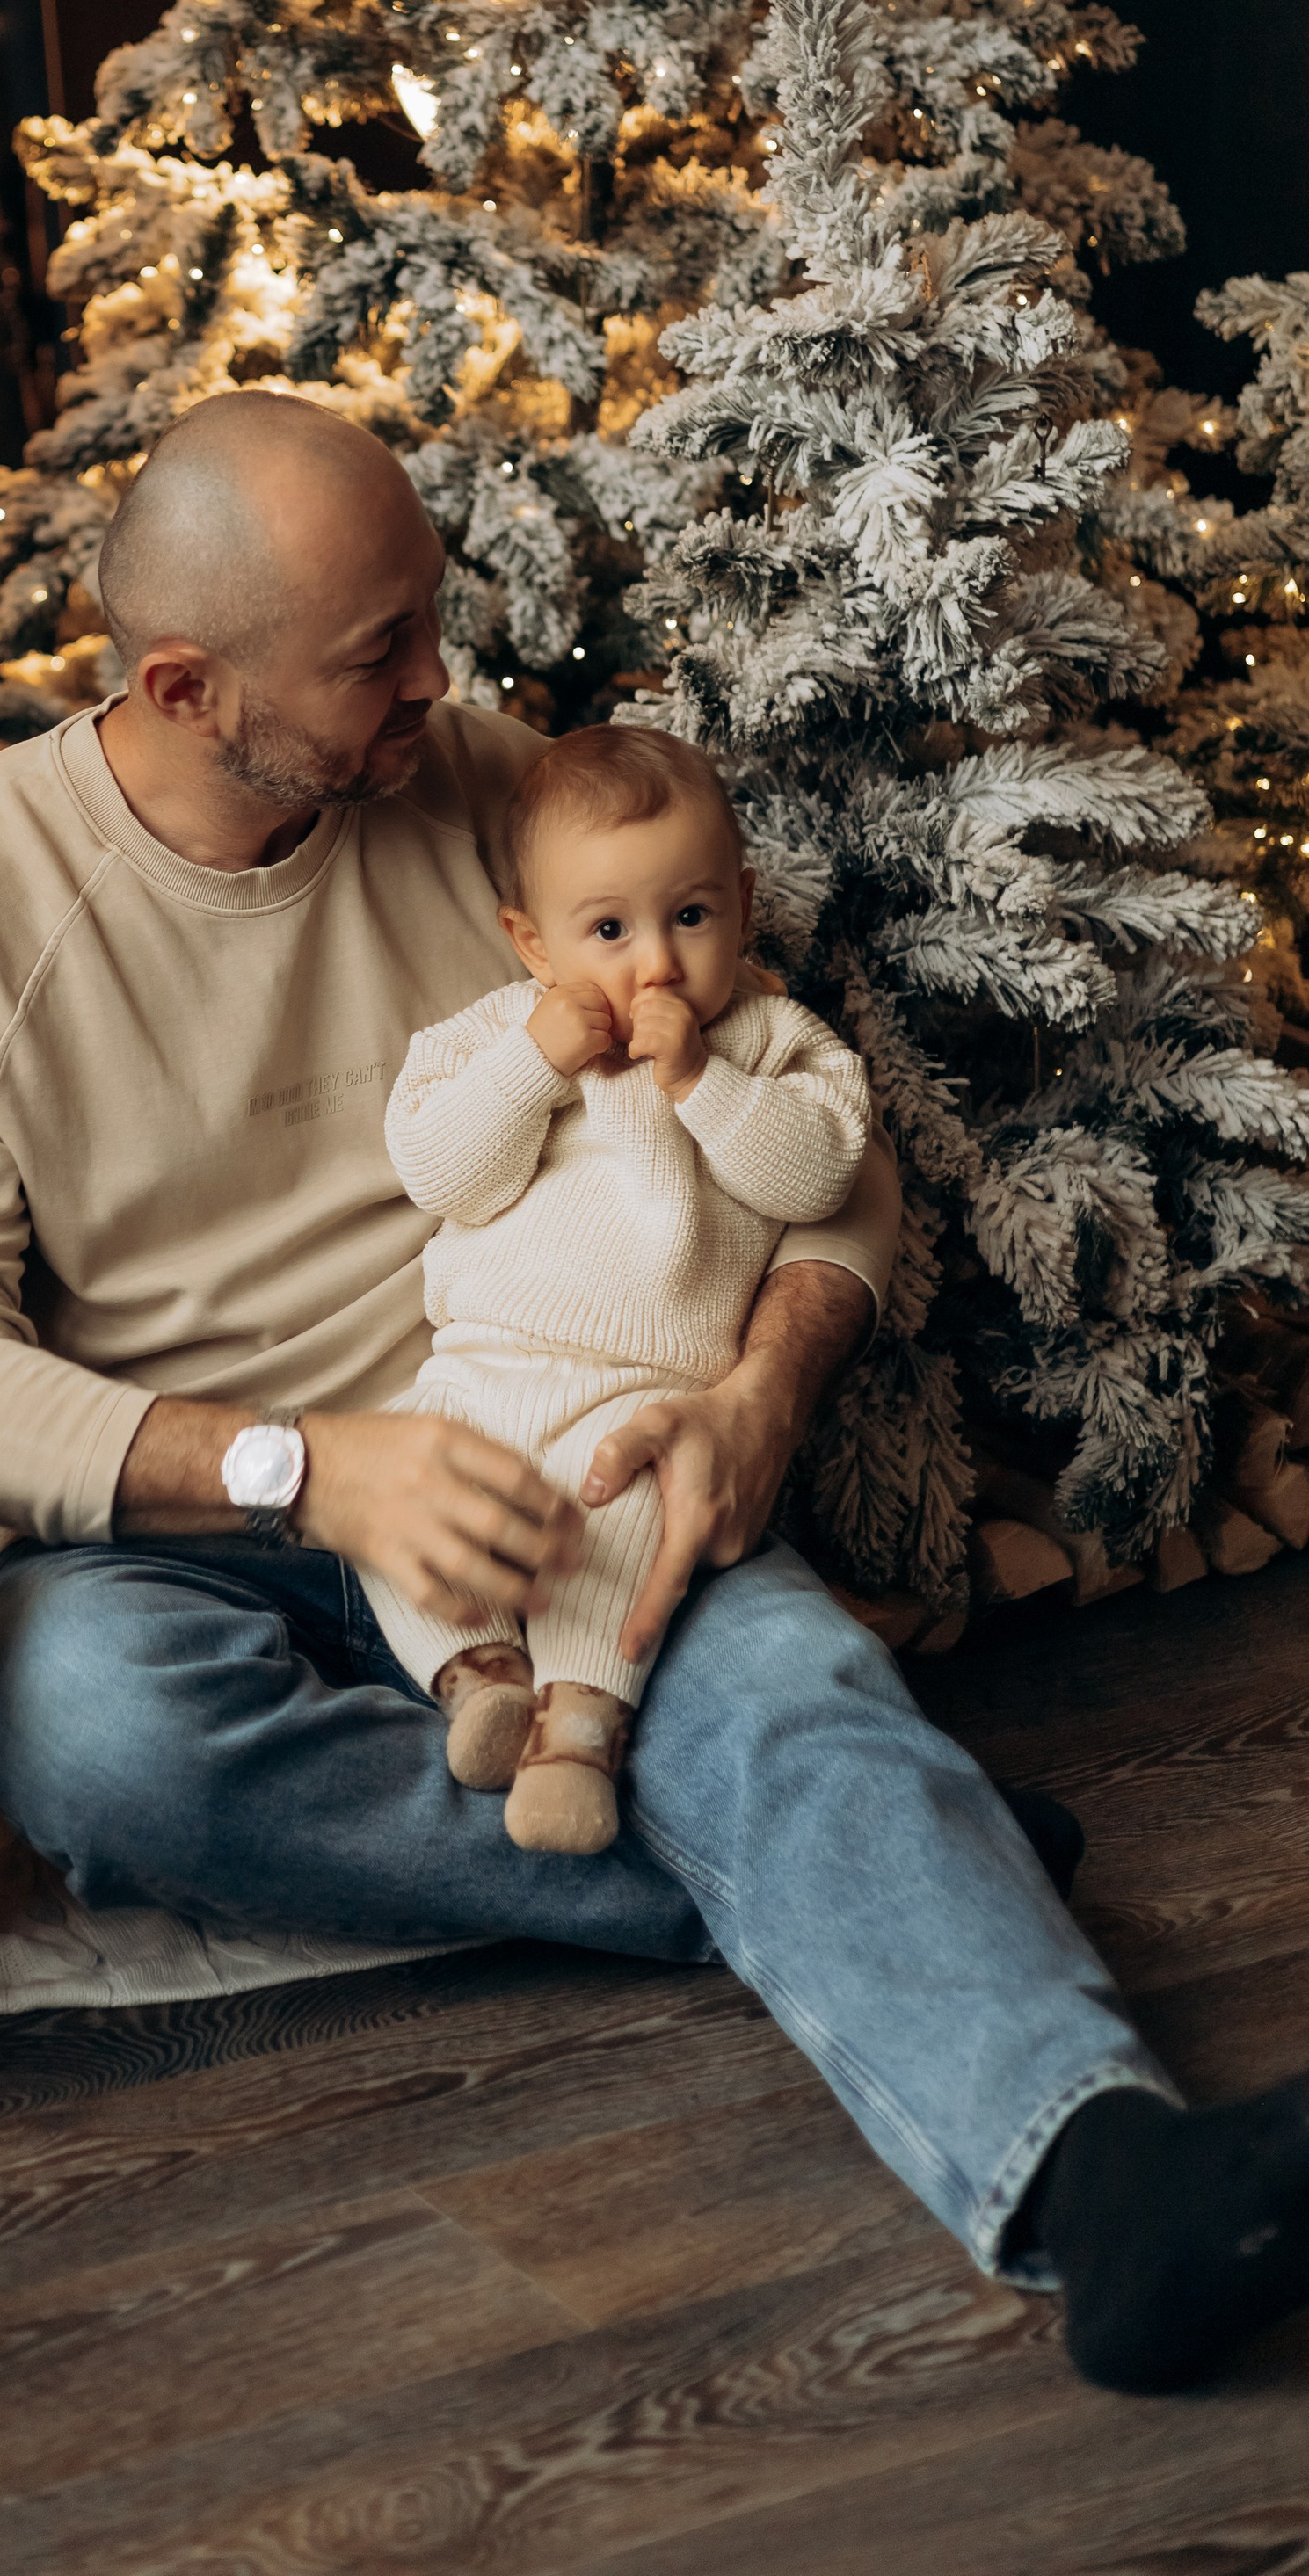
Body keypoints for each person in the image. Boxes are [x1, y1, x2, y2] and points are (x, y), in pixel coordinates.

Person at [0, 389, 1309, 2395]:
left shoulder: (489, 797)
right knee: (77, 1726)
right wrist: (298, 1469)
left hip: (556, 1459)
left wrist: (764, 1390)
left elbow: (826, 1164)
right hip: (181, 1522)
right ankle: (823, 1872)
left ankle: (1105, 2187)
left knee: (769, 1681)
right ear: (181, 684)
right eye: (378, 655)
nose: (444, 680)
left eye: (430, 622)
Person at [365, 721, 868, 1853]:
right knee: (396, 1507)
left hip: (644, 1393)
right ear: (531, 943)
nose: (654, 963)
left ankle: (581, 1732)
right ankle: (480, 1680)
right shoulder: (494, 1034)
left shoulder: (775, 1040)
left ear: (740, 905)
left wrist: (701, 1082)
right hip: (475, 1373)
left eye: (690, 917)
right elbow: (444, 1173)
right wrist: (530, 1065)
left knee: (620, 1526)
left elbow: (822, 1173)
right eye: (606, 930)